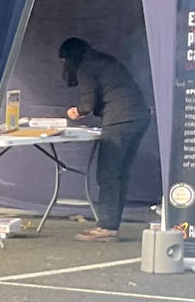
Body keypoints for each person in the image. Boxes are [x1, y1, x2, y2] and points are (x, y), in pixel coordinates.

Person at [60, 37, 152, 243]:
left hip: (119, 120)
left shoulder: (85, 66)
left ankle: (106, 228)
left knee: (109, 175)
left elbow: (87, 104)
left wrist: (75, 112)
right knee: (120, 174)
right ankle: (111, 224)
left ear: (70, 57)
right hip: (139, 117)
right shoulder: (102, 60)